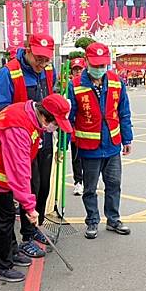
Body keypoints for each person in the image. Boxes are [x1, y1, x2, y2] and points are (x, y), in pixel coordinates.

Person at [0, 94, 72, 283]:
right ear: (45, 116)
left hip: (2, 168)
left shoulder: (30, 114)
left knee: (8, 215)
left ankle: (12, 251)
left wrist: (27, 203)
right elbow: (19, 171)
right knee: (4, 220)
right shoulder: (18, 127)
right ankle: (2, 266)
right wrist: (29, 206)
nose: (55, 128)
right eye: (55, 124)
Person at [0, 33, 57, 259]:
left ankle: (36, 226)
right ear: (27, 50)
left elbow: (52, 97)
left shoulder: (49, 70)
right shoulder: (8, 72)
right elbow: (0, 108)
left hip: (43, 137)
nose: (42, 63)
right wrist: (21, 127)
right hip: (20, 141)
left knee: (43, 187)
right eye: (38, 58)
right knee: (28, 185)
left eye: (46, 59)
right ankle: (28, 234)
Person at [68, 42, 134, 240]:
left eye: (102, 65)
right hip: (89, 148)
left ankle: (113, 219)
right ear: (87, 62)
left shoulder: (116, 82)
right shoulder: (76, 85)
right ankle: (92, 221)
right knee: (90, 188)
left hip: (112, 145)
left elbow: (124, 112)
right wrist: (64, 143)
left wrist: (127, 138)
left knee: (114, 184)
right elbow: (69, 117)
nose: (99, 69)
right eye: (95, 65)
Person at [69, 58, 86, 196]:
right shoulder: (69, 85)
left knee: (89, 157)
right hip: (75, 128)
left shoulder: (89, 84)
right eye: (75, 69)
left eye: (80, 69)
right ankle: (78, 182)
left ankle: (89, 179)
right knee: (76, 157)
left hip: (88, 129)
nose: (78, 72)